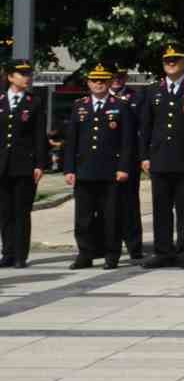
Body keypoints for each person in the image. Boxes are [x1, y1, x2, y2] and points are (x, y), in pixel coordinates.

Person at [141, 45, 184, 269]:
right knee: (161, 209)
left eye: (175, 60)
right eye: (167, 60)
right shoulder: (153, 90)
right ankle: (162, 251)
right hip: (160, 158)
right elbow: (146, 127)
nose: (171, 63)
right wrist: (144, 155)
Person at [63, 63, 137, 269]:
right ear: (88, 83)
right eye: (94, 80)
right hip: (84, 170)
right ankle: (85, 254)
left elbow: (127, 142)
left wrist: (123, 167)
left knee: (110, 216)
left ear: (108, 82)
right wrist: (69, 169)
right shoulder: (80, 106)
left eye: (102, 81)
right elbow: (72, 142)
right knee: (83, 218)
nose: (98, 84)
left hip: (110, 171)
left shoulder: (120, 106)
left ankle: (111, 254)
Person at [0, 57, 46, 268]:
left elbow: (39, 136)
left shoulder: (33, 102)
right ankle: (7, 252)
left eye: (28, 74)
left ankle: (20, 255)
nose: (27, 77)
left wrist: (39, 164)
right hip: (2, 164)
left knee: (21, 210)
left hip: (24, 164)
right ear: (10, 77)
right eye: (22, 74)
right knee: (4, 211)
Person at [107, 64, 145, 262]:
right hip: (105, 160)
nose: (116, 80)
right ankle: (107, 246)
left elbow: (142, 128)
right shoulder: (102, 98)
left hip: (129, 158)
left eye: (120, 76)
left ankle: (134, 246)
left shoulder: (136, 97)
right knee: (108, 206)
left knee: (130, 204)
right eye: (113, 76)